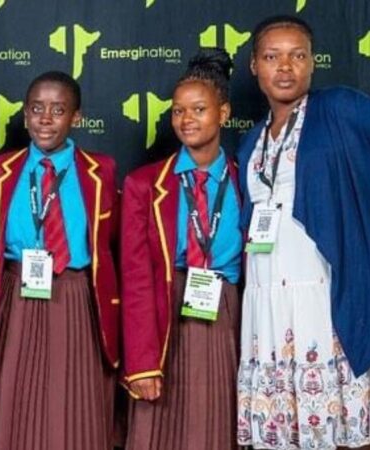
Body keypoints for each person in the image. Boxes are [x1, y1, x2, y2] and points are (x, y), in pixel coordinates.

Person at [234, 15, 370, 449]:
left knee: (364, 435)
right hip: (275, 310)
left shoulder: (339, 108)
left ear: (313, 64)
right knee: (303, 436)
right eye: (272, 56)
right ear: (254, 67)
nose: (285, 67)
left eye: (297, 56)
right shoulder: (253, 142)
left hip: (340, 295)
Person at [0, 70, 120, 450]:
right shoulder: (1, 170)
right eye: (37, 108)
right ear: (25, 114)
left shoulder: (101, 170)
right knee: (14, 401)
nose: (45, 118)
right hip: (17, 291)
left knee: (75, 402)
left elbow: (113, 242)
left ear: (77, 117)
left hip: (77, 296)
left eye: (58, 110)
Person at [119, 48, 243, 450]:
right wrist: (141, 363)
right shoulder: (144, 185)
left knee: (217, 425)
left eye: (198, 109)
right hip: (164, 312)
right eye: (178, 111)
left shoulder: (250, 181)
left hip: (227, 315)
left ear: (223, 113)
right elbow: (136, 277)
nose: (186, 120)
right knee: (159, 431)